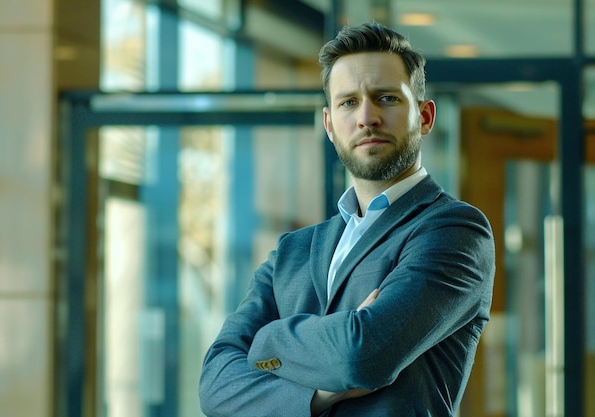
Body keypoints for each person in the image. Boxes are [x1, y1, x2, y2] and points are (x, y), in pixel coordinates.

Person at [199, 22, 495, 417]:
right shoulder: (294, 251)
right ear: (329, 125)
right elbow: (215, 386)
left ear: (424, 116)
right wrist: (320, 396)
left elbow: (361, 356)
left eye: (386, 98)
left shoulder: (454, 231)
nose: (367, 117)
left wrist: (266, 341)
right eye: (348, 102)